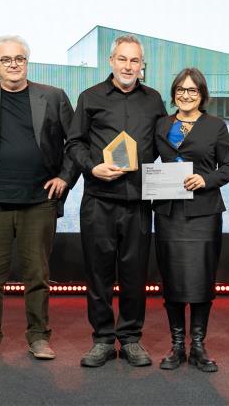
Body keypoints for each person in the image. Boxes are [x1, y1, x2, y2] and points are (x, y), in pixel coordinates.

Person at [0, 35, 80, 363]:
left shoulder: (53, 97)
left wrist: (65, 177)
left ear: (27, 62)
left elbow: (76, 142)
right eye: (6, 60)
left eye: (19, 58)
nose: (13, 64)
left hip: (39, 202)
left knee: (37, 277)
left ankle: (39, 336)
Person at [66, 34, 167, 367]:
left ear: (141, 65)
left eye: (134, 60)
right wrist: (92, 167)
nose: (128, 66)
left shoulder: (153, 100)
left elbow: (166, 145)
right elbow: (74, 143)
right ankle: (103, 340)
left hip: (138, 201)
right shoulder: (90, 97)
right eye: (122, 59)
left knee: (135, 274)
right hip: (99, 199)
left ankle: (131, 338)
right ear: (111, 61)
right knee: (99, 274)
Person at [153, 68, 229, 372]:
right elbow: (148, 160)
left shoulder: (215, 126)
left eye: (192, 90)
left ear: (202, 95)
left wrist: (206, 180)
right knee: (172, 279)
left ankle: (198, 345)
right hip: (168, 212)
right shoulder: (162, 124)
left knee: (202, 279)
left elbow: (228, 165)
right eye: (180, 90)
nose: (186, 95)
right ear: (174, 93)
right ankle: (177, 345)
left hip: (204, 212)